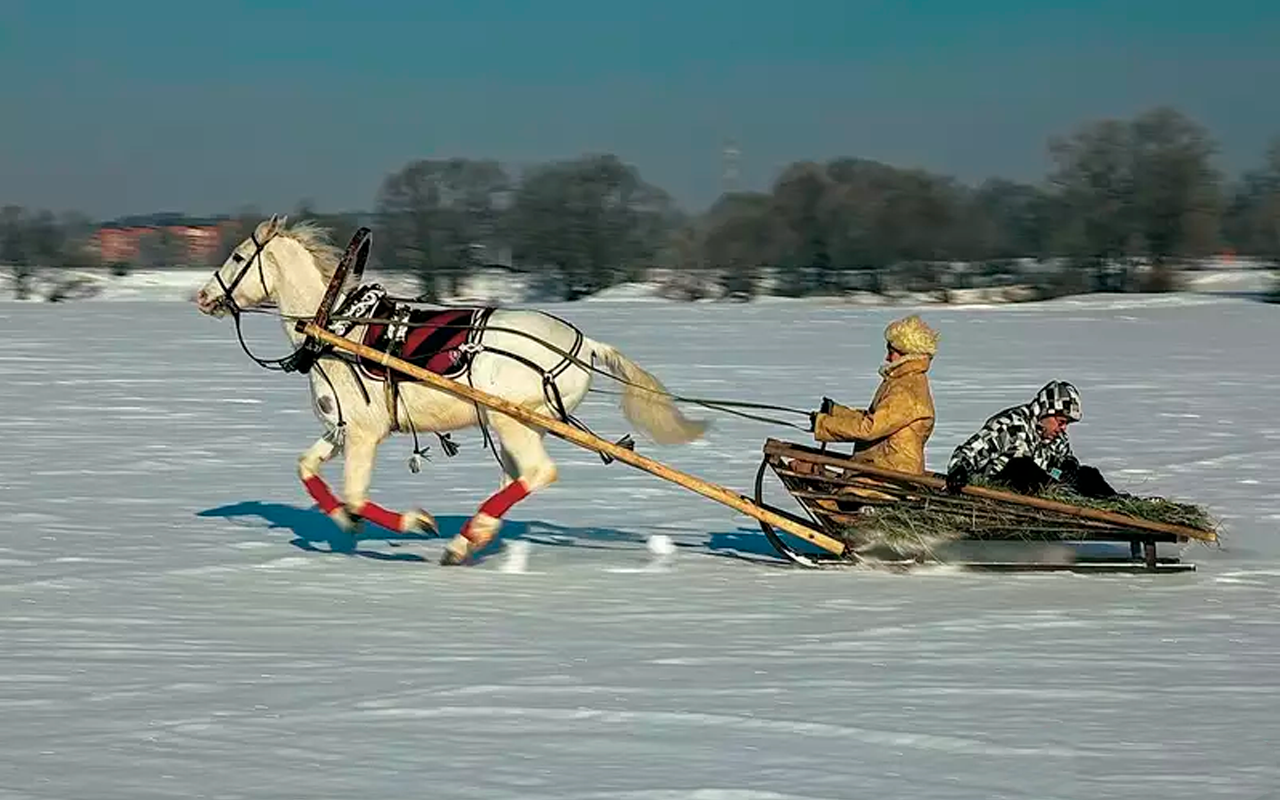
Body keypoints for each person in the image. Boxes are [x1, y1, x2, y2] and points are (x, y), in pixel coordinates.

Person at [807, 314, 939, 475]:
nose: (887, 358)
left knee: (813, 476)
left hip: (889, 474)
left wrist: (824, 424)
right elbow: (877, 419)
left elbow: (869, 429)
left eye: (891, 352)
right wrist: (836, 412)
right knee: (805, 468)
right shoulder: (905, 382)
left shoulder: (905, 391)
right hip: (881, 467)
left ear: (907, 354)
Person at [944, 380, 1121, 498]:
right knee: (1023, 466)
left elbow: (1062, 462)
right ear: (1046, 412)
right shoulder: (1011, 425)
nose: (1063, 429)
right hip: (999, 486)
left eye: (1066, 424)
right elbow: (970, 451)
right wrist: (959, 469)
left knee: (1088, 474)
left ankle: (1117, 505)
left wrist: (1069, 466)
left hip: (1047, 481)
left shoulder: (1058, 438)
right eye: (1060, 422)